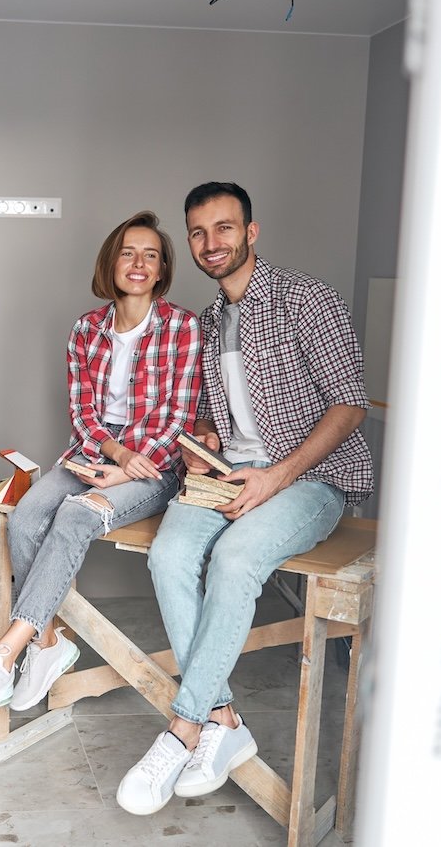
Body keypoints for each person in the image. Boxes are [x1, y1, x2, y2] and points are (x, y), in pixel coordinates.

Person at [116, 183, 373, 815]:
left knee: (234, 561)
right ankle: (225, 720)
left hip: (311, 479)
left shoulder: (306, 297)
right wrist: (204, 439)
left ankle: (184, 727)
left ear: (250, 232)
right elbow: (212, 414)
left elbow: (350, 404)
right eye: (199, 233)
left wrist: (276, 476)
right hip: (231, 473)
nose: (212, 244)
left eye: (224, 229)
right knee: (169, 557)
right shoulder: (206, 322)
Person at [0, 210, 203, 718]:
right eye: (129, 252)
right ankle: (50, 640)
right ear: (111, 262)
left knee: (77, 515)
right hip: (95, 451)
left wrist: (127, 468)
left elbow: (179, 417)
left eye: (151, 255)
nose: (139, 263)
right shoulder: (86, 329)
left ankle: (3, 658)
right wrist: (113, 454)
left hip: (156, 466)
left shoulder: (183, 327)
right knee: (28, 515)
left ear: (163, 268)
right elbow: (82, 412)